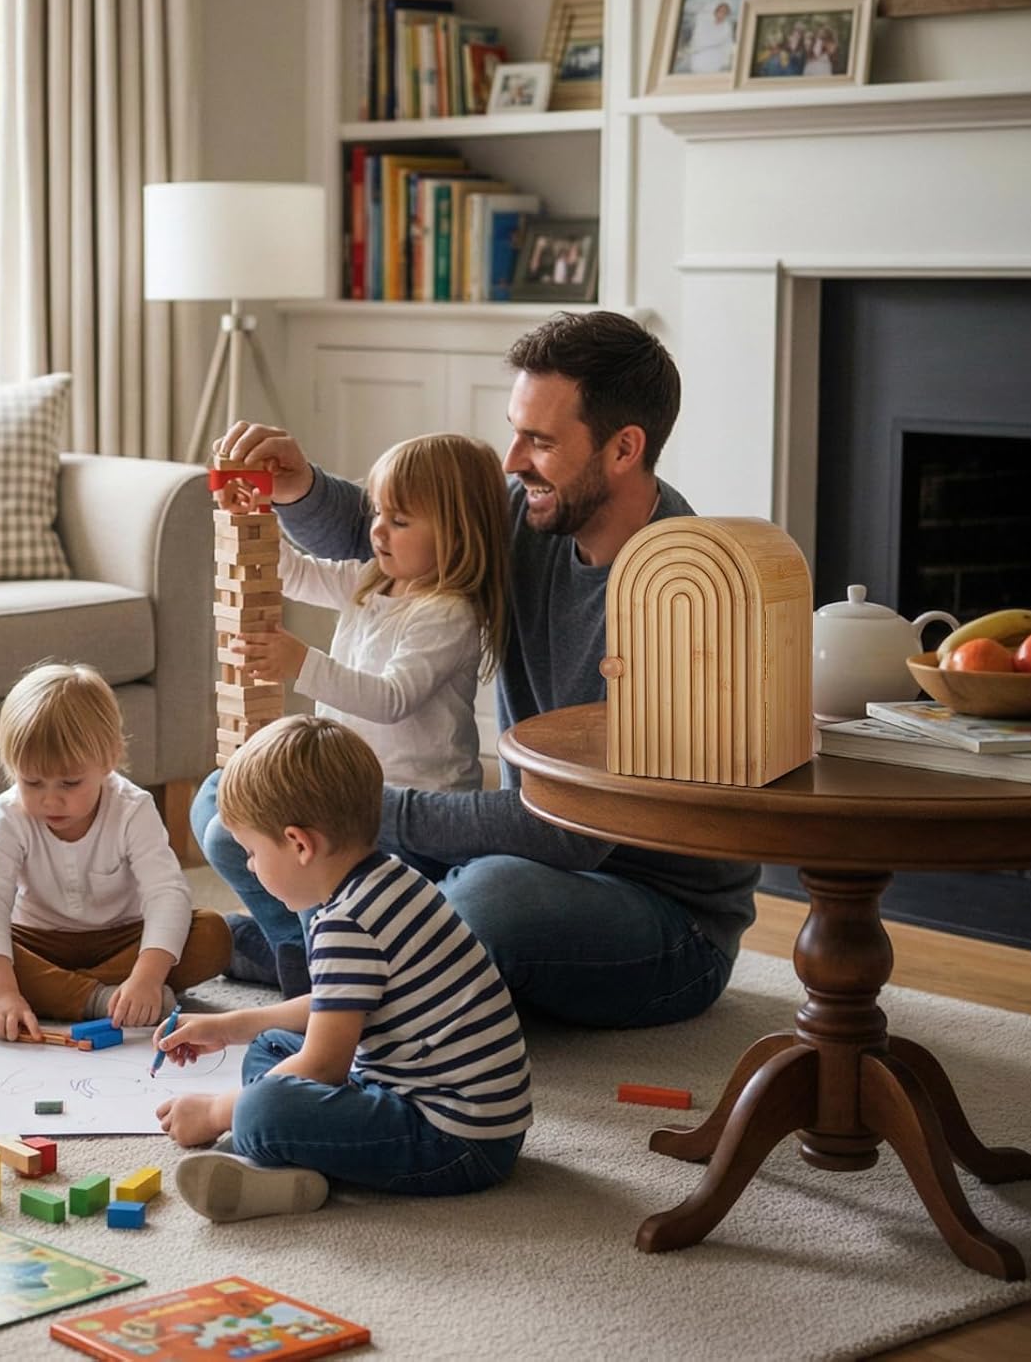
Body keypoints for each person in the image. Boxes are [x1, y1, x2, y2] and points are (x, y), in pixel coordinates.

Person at [201, 310, 759, 1029]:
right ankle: (335, 976)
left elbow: (575, 831)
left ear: (624, 448)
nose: (512, 460)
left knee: (485, 897)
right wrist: (299, 486)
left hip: (657, 913)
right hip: (538, 855)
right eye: (516, 431)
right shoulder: (531, 509)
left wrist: (360, 811)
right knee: (229, 803)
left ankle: (347, 973)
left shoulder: (676, 595)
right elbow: (394, 533)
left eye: (541, 441)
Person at [158, 715, 531, 1223]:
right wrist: (229, 1026)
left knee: (260, 1109)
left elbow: (323, 1065)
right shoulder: (390, 877)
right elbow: (336, 1003)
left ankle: (281, 1166)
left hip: (455, 1140)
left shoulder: (346, 920)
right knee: (268, 1047)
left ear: (299, 844)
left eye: (251, 852)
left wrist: (217, 1112)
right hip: (467, 1116)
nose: (249, 866)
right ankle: (292, 1161)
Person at [197, 433, 510, 996]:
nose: (378, 531)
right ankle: (301, 954)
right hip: (342, 801)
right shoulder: (372, 579)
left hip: (406, 820)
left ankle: (320, 965)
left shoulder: (449, 614)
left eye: (400, 521)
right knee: (224, 823)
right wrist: (253, 516)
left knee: (264, 845)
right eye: (378, 513)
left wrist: (302, 663)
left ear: (458, 533)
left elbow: (391, 698)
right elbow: (294, 573)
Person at [0, 663, 230, 1040]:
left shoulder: (133, 808)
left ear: (109, 760)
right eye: (31, 781)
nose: (50, 799)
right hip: (35, 941)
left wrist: (146, 978)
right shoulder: (7, 815)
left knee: (212, 935)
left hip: (123, 938)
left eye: (70, 783)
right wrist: (1, 990)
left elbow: (165, 894)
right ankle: (99, 1000)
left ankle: (46, 994)